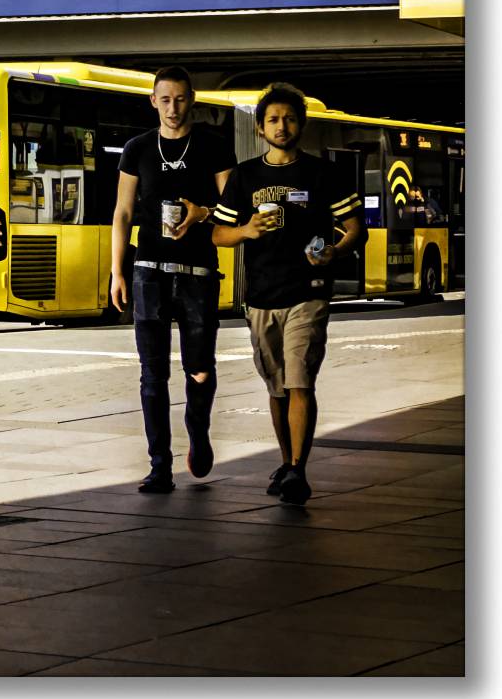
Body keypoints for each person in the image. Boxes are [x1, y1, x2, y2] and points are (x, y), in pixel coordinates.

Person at [212, 83, 363, 506]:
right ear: (260, 129)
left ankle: (298, 468)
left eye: (290, 119)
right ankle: (286, 462)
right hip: (261, 295)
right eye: (274, 120)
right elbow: (219, 234)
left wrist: (334, 250)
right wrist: (246, 230)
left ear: (302, 125)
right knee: (277, 387)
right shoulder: (245, 176)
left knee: (300, 380)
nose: (282, 126)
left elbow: (356, 229)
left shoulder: (322, 173)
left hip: (308, 292)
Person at [111, 66, 235, 494]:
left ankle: (198, 432)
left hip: (198, 272)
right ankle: (159, 465)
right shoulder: (138, 149)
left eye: (180, 99)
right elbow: (123, 213)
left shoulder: (213, 147)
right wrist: (117, 271)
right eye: (165, 99)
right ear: (153, 101)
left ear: (191, 100)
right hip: (148, 272)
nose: (173, 108)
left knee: (199, 369)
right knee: (152, 373)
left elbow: (233, 210)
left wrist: (202, 213)